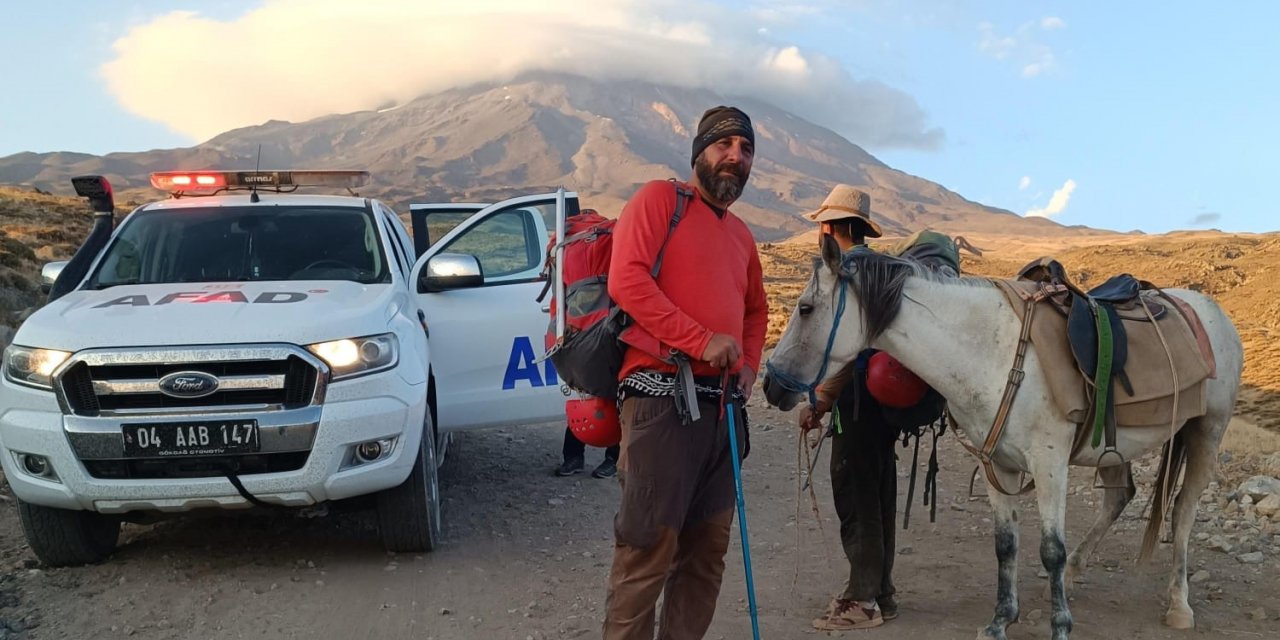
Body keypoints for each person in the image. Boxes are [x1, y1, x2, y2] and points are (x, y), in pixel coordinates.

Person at [601, 105, 769, 640]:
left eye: (746, 149)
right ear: (699, 151)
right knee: (647, 549)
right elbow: (627, 281)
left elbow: (756, 312)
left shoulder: (741, 236)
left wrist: (749, 366)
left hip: (722, 412)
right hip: (660, 402)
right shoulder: (658, 201)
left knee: (705, 556)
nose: (736, 157)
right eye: (725, 145)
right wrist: (700, 341)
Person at [796, 185, 901, 631]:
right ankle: (883, 592)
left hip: (857, 403)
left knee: (857, 498)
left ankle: (863, 600)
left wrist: (821, 401)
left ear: (829, 228)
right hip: (884, 406)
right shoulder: (879, 271)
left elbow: (848, 350)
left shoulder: (846, 275)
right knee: (878, 495)